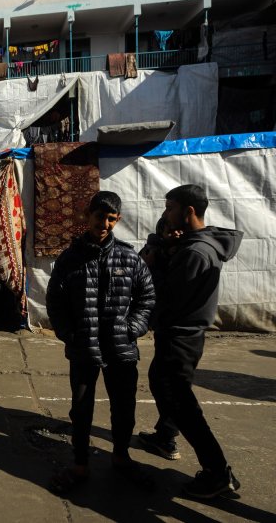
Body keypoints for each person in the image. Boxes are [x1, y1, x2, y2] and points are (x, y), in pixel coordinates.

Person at [46, 191, 156, 494]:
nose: (104, 224)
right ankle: (80, 464)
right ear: (88, 215)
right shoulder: (69, 259)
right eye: (99, 217)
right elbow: (55, 301)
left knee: (124, 408)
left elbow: (147, 297)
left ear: (117, 220)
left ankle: (121, 457)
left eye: (111, 219)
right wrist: (69, 334)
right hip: (84, 350)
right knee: (80, 410)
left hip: (121, 350)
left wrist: (132, 327)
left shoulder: (128, 256)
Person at [138, 184, 243, 499]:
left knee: (183, 405)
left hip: (181, 336)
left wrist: (154, 265)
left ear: (189, 211)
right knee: (160, 381)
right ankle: (165, 434)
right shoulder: (193, 244)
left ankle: (216, 471)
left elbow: (168, 296)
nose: (165, 214)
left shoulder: (196, 252)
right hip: (180, 333)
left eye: (170, 208)